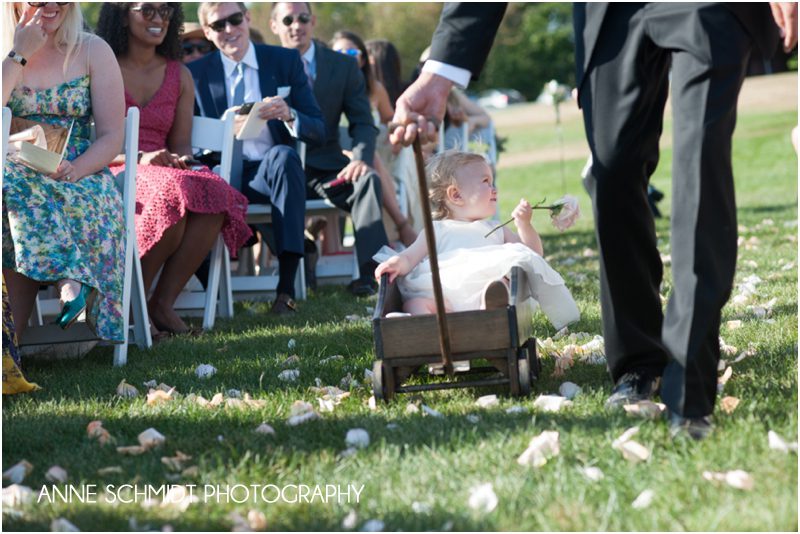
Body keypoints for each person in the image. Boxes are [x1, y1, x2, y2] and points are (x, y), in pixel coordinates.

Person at [389, 2, 798, 440]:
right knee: (613, 171)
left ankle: (690, 380)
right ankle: (638, 363)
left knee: (700, 159)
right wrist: (439, 73)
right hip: (612, 14)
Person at [96, 2, 253, 335]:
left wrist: (182, 162)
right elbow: (91, 141)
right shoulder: (101, 64)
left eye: (166, 11)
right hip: (113, 165)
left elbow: (181, 143)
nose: (159, 18)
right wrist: (139, 158)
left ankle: (161, 304)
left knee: (213, 191)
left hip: (164, 169)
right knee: (174, 192)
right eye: (148, 10)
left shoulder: (178, 73)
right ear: (123, 14)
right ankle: (132, 304)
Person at [188, 2, 325, 314]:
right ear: (208, 32)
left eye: (235, 19)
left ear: (247, 18)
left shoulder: (283, 60)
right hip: (219, 172)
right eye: (218, 25)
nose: (229, 30)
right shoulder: (194, 74)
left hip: (266, 172)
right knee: (193, 184)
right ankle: (216, 293)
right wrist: (222, 128)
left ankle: (286, 289)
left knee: (285, 157)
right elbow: (187, 137)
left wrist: (289, 114)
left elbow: (318, 129)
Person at [2, 2, 127, 343]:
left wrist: (76, 169)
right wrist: (18, 54)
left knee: (10, 196)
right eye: (39, 0)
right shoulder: (5, 52)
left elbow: (111, 136)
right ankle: (70, 279)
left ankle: (7, 348)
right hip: (14, 169)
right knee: (11, 185)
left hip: (80, 175)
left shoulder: (93, 50)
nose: (53, 5)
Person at [374, 151, 579, 329]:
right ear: (456, 195)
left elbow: (532, 255)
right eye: (485, 182)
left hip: (483, 291)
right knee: (415, 303)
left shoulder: (496, 230)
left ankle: (489, 311)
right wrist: (394, 263)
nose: (494, 188)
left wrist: (524, 225)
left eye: (492, 182)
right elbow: (410, 257)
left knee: (502, 285)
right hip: (443, 296)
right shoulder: (437, 230)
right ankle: (422, 326)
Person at [270, 2, 389, 297]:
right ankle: (305, 248)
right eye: (287, 20)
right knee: (243, 194)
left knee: (367, 181)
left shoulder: (343, 66)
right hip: (278, 171)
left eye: (303, 18)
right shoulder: (263, 64)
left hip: (328, 171)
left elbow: (362, 122)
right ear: (275, 26)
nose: (296, 25)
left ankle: (372, 275)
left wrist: (360, 158)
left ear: (313, 21)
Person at [330, 30, 416, 247]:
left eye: (351, 52)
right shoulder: (324, 89)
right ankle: (402, 225)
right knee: (371, 160)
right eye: (339, 52)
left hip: (377, 152)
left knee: (372, 158)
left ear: (362, 58)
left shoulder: (374, 88)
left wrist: (398, 130)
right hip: (337, 156)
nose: (345, 57)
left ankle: (393, 236)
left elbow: (389, 120)